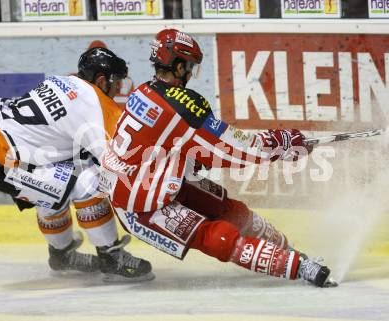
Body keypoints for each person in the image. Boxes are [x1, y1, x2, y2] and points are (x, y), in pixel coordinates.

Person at [100, 29, 336, 287]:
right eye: (189, 67)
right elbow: (235, 149)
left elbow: (167, 145)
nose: (190, 73)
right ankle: (299, 267)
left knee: (233, 212)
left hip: (158, 179)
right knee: (219, 238)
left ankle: (290, 253)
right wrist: (281, 143)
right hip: (140, 206)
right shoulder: (183, 106)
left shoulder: (144, 90)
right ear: (178, 66)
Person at [0, 47, 154, 283]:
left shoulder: (64, 81)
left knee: (57, 183)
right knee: (91, 181)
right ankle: (110, 256)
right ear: (101, 80)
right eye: (116, 81)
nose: (119, 88)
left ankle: (61, 255)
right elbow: (115, 163)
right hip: (0, 155)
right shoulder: (96, 104)